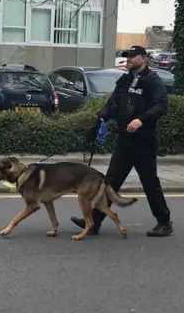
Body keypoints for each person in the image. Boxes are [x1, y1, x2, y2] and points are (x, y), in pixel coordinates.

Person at [71, 46, 173, 237]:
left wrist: (141, 120)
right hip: (125, 140)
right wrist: (102, 116)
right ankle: (94, 222)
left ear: (144, 59)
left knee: (150, 183)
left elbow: (162, 104)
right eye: (127, 57)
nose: (128, 60)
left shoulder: (152, 80)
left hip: (144, 141)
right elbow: (113, 101)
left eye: (132, 57)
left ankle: (164, 222)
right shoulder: (125, 79)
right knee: (110, 181)